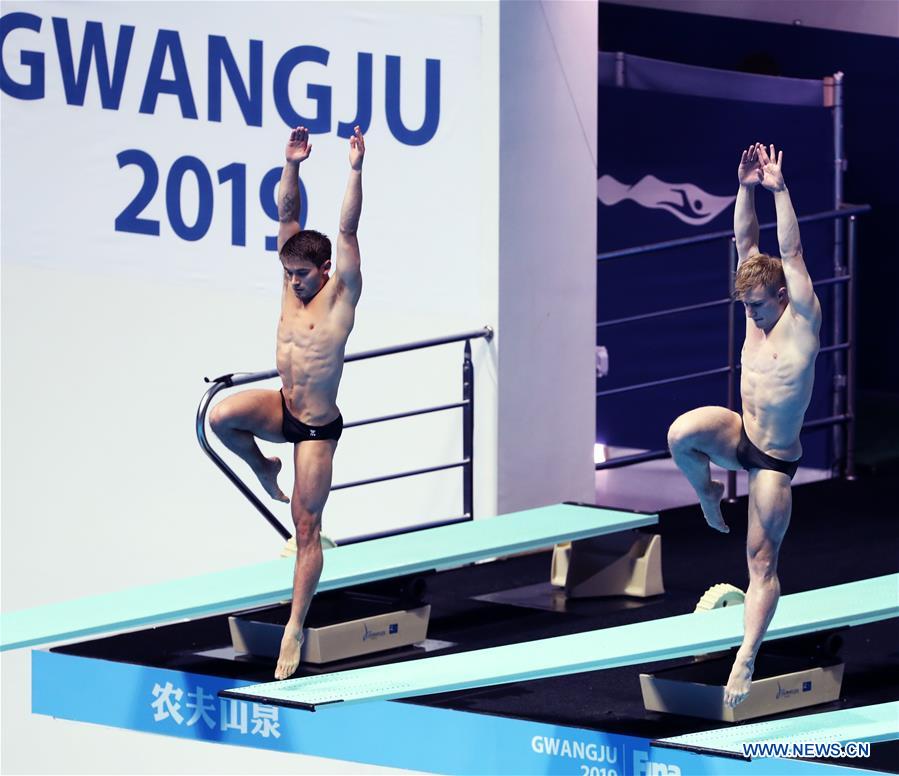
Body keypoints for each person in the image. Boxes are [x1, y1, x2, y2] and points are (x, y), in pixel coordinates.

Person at [667, 142, 821, 707]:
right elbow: (746, 243)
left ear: (782, 296)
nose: (749, 315)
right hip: (741, 434)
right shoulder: (756, 301)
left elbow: (791, 252)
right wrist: (743, 187)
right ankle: (708, 494)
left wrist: (779, 189)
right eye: (744, 306)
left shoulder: (802, 319)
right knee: (681, 435)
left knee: (761, 562)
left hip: (773, 461)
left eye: (756, 306)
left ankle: (746, 656)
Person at [209, 125, 365, 680]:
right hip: (283, 406)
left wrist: (354, 169)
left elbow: (346, 229)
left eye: (301, 275)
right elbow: (288, 214)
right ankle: (263, 466)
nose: (293, 283)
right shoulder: (289, 278)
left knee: (306, 529)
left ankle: (294, 627)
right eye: (287, 274)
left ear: (326, 271)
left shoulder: (341, 295)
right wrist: (292, 164)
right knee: (220, 417)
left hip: (316, 430)